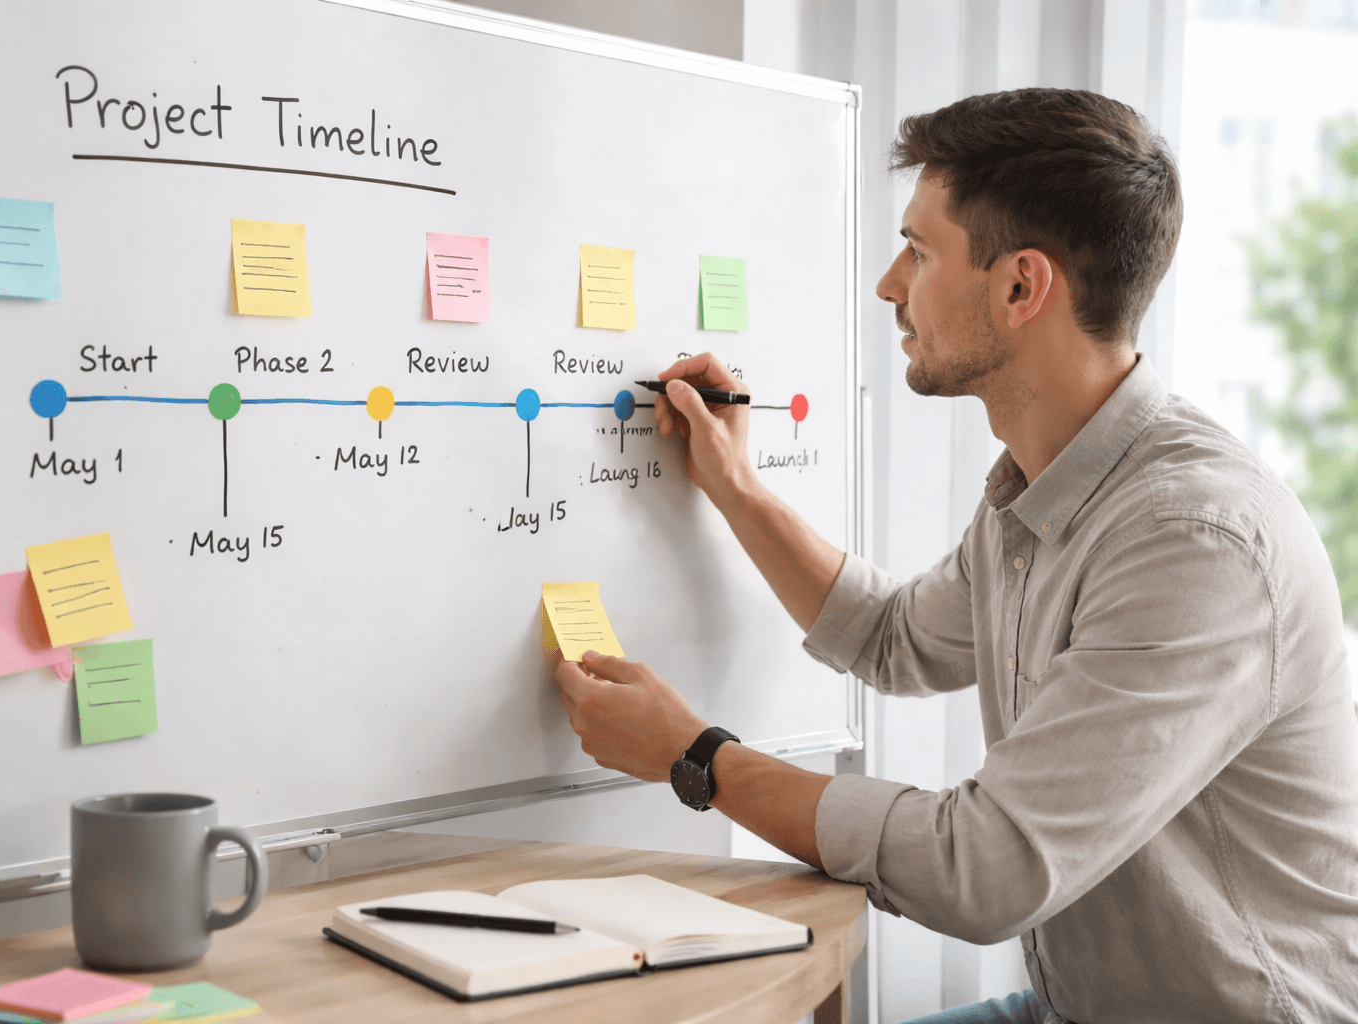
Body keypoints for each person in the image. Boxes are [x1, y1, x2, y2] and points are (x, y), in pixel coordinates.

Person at [553, 88, 1358, 1023]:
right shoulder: (1045, 480)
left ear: (1021, 286)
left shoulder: (1192, 544)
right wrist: (736, 485)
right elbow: (894, 638)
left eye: (920, 251)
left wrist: (697, 757)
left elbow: (986, 868)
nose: (893, 284)